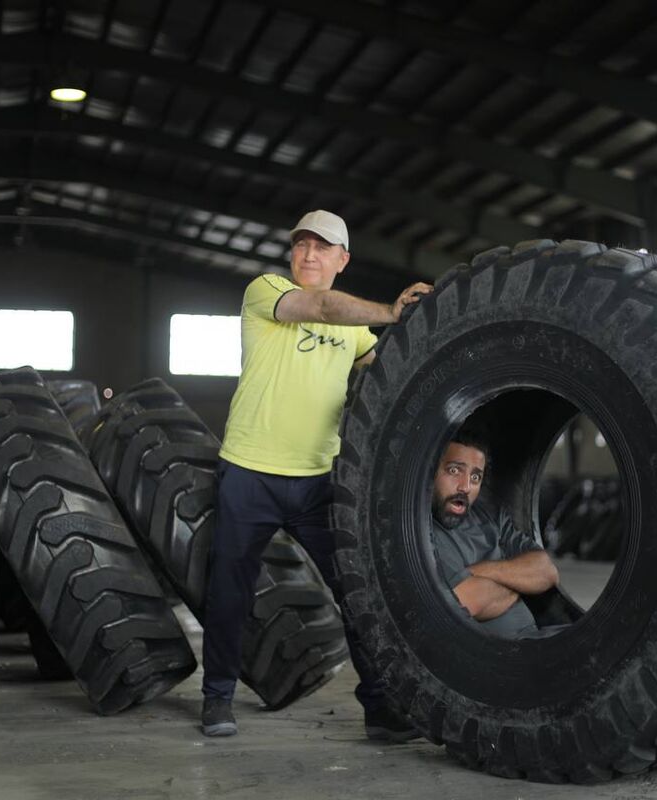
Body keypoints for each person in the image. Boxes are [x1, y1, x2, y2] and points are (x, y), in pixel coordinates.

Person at [201, 209, 433, 740]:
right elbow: (323, 306)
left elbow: (392, 372)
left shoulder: (355, 334)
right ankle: (217, 699)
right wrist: (391, 311)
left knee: (357, 595)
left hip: (317, 481)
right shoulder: (267, 291)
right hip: (249, 471)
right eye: (302, 244)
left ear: (342, 259)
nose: (309, 254)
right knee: (229, 591)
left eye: (323, 247)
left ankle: (380, 708)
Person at [430, 427, 560, 636]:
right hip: (503, 657)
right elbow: (470, 601)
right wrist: (521, 581)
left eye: (475, 477)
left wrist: (478, 572)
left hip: (535, 640)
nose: (465, 486)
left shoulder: (490, 517)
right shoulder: (427, 532)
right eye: (454, 470)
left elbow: (547, 571)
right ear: (432, 472)